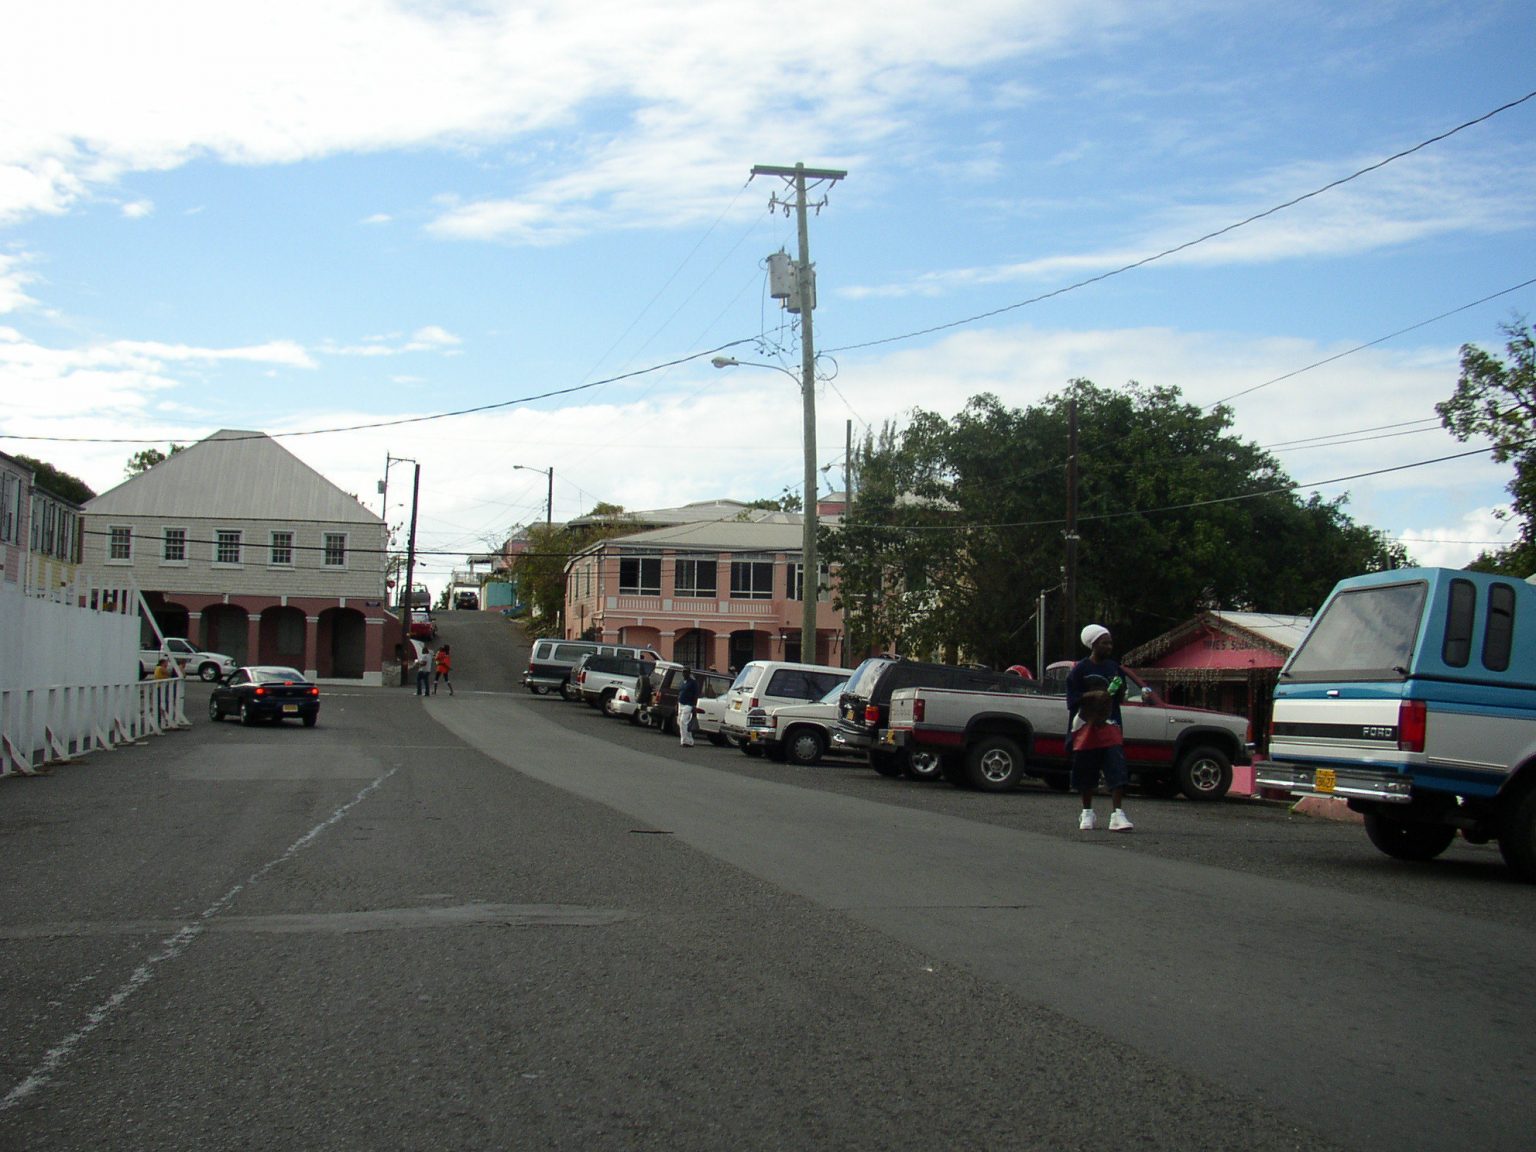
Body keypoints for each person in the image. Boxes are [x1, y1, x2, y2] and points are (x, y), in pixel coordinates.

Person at [1066, 624, 1132, 832]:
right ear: (1093, 644)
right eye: (1105, 642)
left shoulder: (1114, 668)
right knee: (1086, 770)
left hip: (1110, 725)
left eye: (1110, 642)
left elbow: (1120, 697)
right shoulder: (1080, 670)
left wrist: (1118, 690)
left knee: (1116, 767)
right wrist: (1092, 695)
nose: (1109, 646)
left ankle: (1117, 814)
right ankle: (1087, 813)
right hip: (1086, 726)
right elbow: (1072, 700)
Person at [676, 667, 700, 747]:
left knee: (683, 721)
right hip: (681, 704)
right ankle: (690, 740)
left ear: (689, 673)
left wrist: (694, 705)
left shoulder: (693, 683)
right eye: (683, 672)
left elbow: (696, 694)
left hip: (688, 704)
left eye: (686, 672)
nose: (684, 674)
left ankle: (684, 741)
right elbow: (680, 692)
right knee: (680, 722)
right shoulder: (683, 682)